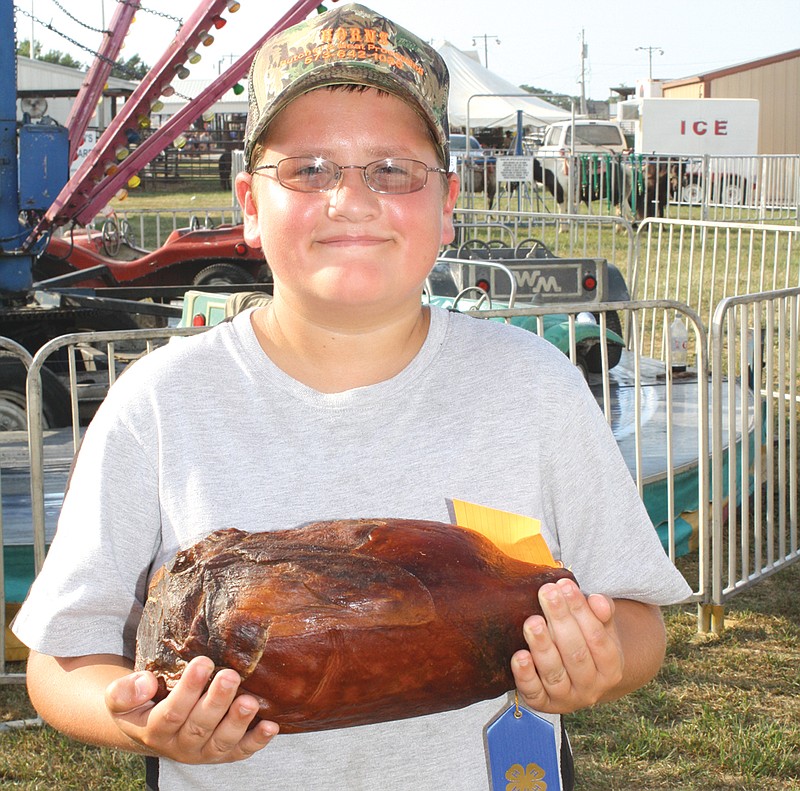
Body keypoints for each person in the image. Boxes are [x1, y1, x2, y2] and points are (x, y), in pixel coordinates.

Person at [12, 4, 691, 790]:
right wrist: (136, 714)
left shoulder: (533, 386)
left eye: (393, 170)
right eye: (309, 169)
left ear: (448, 205)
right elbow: (61, 662)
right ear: (248, 207)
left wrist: (597, 666)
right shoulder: (159, 405)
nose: (350, 198)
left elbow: (638, 619)